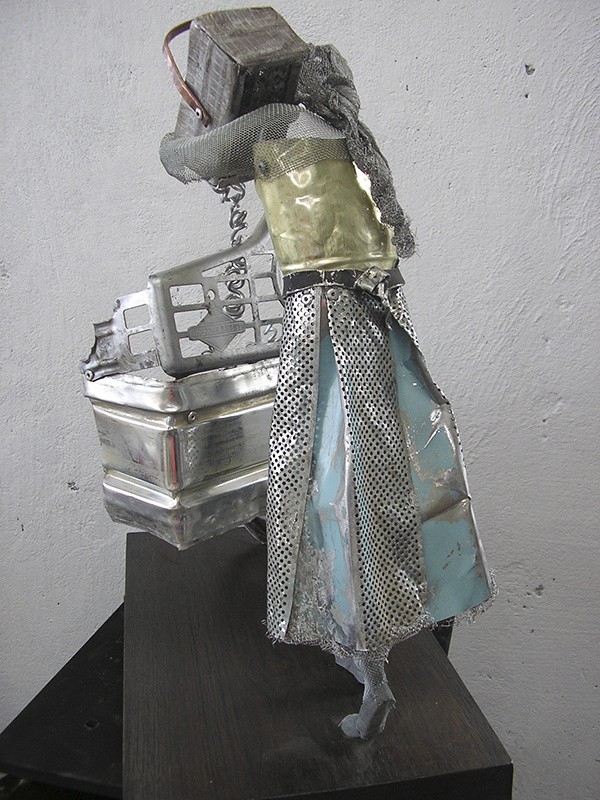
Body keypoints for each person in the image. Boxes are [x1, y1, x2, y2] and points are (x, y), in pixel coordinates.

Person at [161, 39, 495, 740]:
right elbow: (277, 225)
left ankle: (369, 662)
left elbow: (189, 159)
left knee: (341, 490)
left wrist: (192, 111)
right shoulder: (345, 138)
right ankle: (361, 636)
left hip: (331, 329)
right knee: (364, 480)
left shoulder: (282, 123)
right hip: (370, 321)